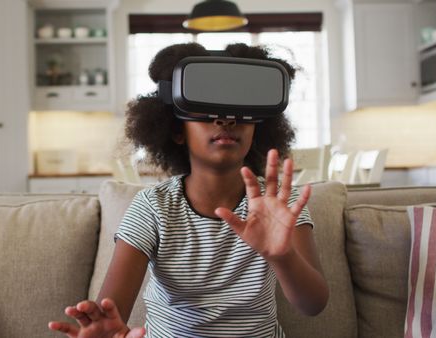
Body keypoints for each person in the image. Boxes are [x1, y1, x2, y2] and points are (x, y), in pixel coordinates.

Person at [48, 42, 329, 338]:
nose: (226, 119)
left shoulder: (280, 204)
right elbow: (110, 310)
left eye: (239, 109)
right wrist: (105, 330)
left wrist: (282, 256)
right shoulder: (153, 207)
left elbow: (314, 305)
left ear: (259, 127)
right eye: (206, 110)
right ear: (176, 130)